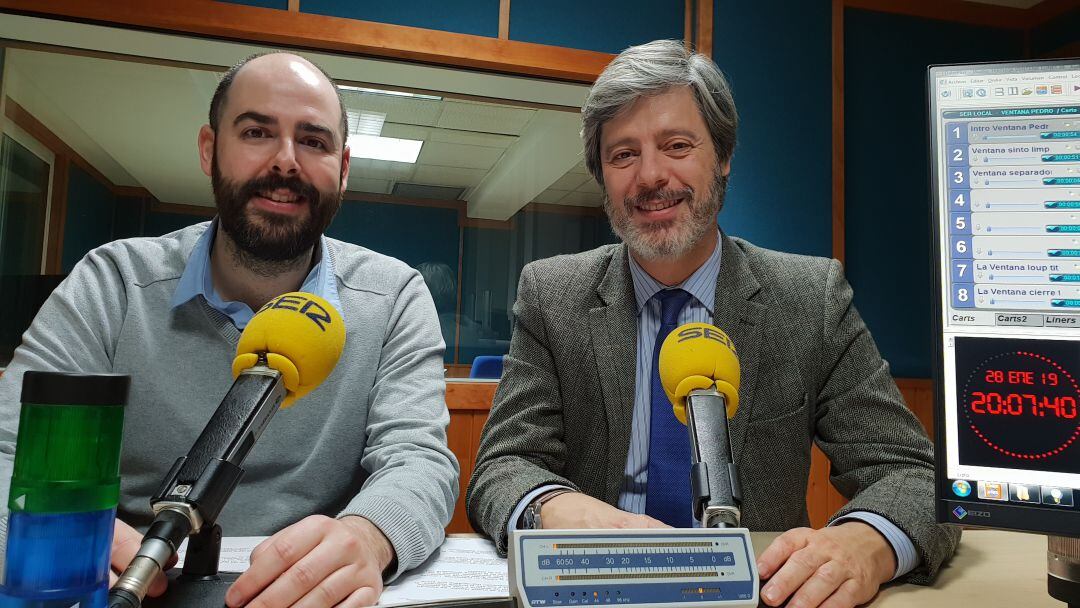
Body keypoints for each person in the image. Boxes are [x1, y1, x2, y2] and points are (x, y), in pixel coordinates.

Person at [466, 40, 958, 608]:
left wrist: (865, 543)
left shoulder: (808, 297)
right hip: (597, 591)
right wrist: (552, 505)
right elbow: (502, 467)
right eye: (623, 155)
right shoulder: (554, 294)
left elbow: (914, 474)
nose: (651, 176)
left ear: (722, 156)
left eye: (676, 145)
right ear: (602, 176)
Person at [0, 52, 458, 608]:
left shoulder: (394, 296)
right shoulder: (113, 281)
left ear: (342, 170)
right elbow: (6, 448)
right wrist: (69, 534)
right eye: (257, 132)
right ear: (209, 149)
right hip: (127, 586)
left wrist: (368, 536)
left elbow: (419, 459)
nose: (286, 162)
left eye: (313, 141)